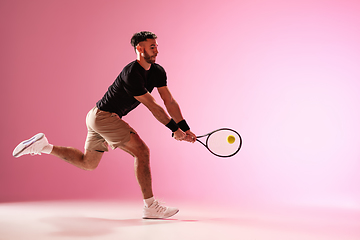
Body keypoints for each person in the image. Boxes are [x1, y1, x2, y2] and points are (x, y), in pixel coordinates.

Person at [12, 31, 196, 219]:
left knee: (88, 163)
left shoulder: (157, 71)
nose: (156, 50)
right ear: (139, 49)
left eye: (156, 46)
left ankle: (43, 146)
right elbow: (153, 105)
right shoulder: (132, 73)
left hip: (96, 115)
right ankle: (150, 206)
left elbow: (169, 101)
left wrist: (185, 127)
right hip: (104, 117)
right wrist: (174, 130)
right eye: (152, 47)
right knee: (142, 151)